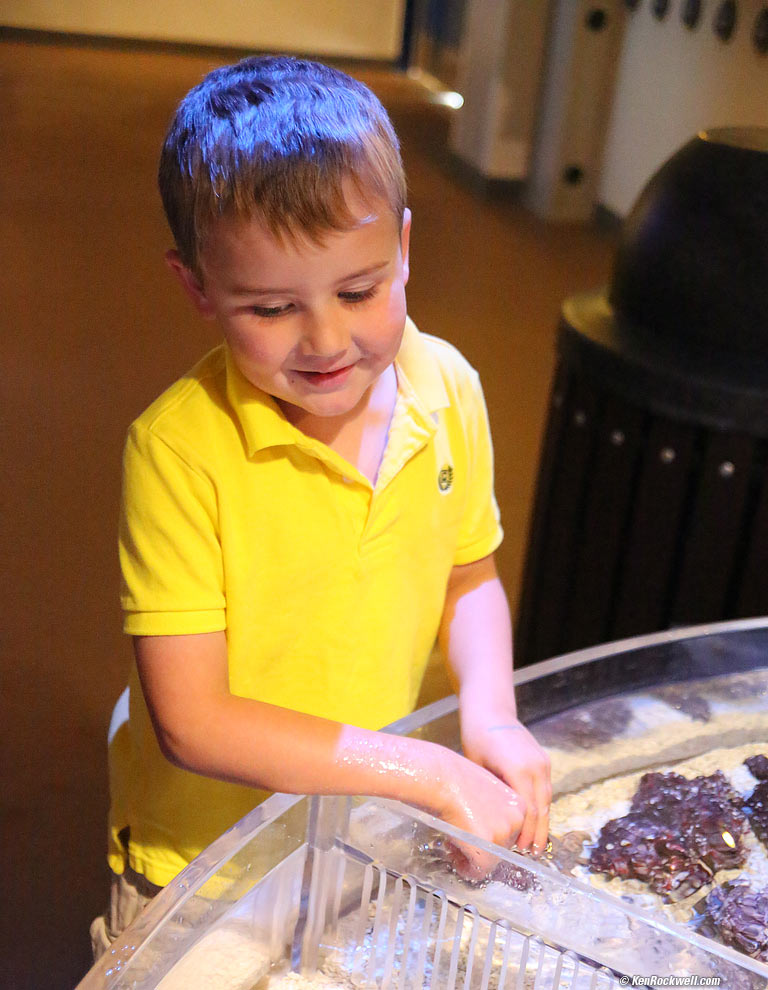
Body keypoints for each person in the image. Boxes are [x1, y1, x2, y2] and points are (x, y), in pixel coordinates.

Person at [91, 54, 551, 957]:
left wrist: (490, 713)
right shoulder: (178, 451)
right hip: (210, 864)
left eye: (358, 289)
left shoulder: (447, 387)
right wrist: (421, 767)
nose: (328, 341)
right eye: (270, 307)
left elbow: (470, 577)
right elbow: (195, 720)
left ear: (405, 251)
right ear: (199, 289)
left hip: (379, 830)